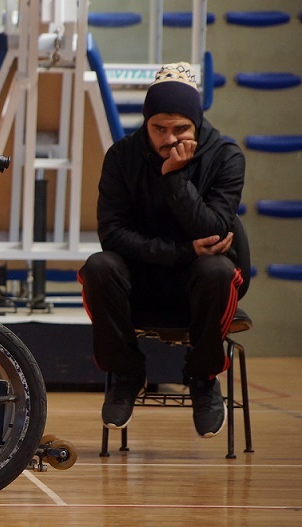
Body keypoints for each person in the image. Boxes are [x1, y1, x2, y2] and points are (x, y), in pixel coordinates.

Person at [78, 62, 246, 439]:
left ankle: (202, 377)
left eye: (181, 129)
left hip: (202, 286)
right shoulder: (122, 156)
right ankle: (127, 373)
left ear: (197, 124)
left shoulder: (226, 156)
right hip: (141, 278)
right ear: (146, 123)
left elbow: (214, 229)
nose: (169, 139)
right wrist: (184, 251)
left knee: (217, 269)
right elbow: (113, 236)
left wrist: (174, 177)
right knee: (98, 267)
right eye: (159, 129)